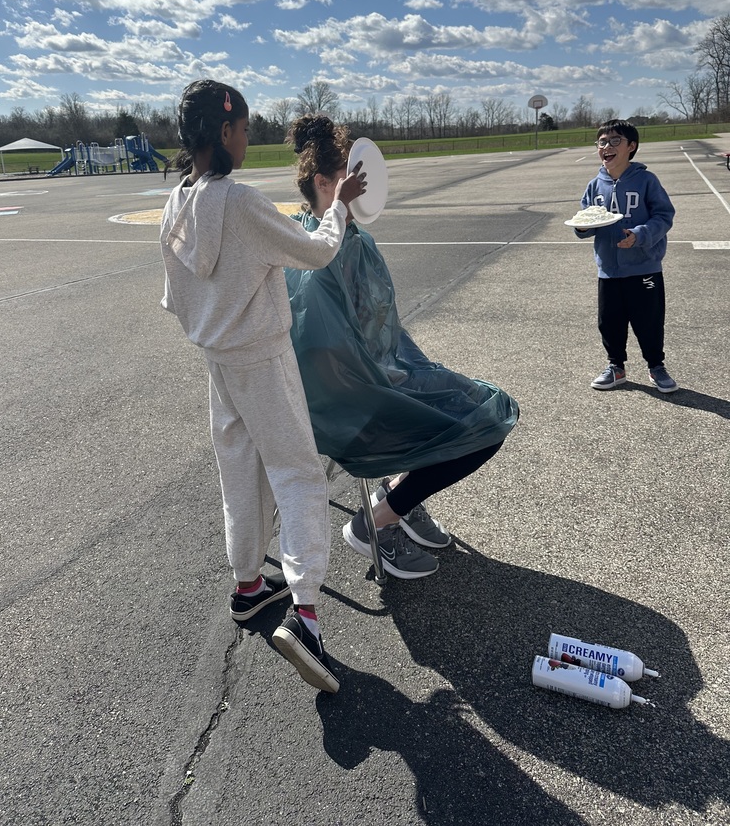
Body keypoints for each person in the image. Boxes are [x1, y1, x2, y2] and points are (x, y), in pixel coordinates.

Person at [159, 81, 366, 693]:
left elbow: (175, 297)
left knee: (238, 473)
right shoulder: (242, 203)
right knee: (299, 474)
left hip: (217, 361)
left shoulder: (176, 205)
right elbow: (317, 250)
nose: (248, 139)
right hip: (262, 357)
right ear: (224, 132)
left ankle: (249, 585)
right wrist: (340, 207)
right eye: (245, 129)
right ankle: (305, 615)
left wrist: (216, 317)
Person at [284, 114, 519, 580]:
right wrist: (400, 378)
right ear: (326, 184)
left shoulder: (351, 238)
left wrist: (413, 368)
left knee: (479, 401)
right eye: (355, 182)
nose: (365, 191)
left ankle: (397, 498)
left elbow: (380, 327)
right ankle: (376, 521)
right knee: (485, 422)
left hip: (376, 376)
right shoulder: (313, 251)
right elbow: (326, 357)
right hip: (349, 402)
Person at [573, 119, 677, 393]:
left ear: (631, 147)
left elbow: (664, 215)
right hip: (608, 268)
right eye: (602, 142)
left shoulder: (646, 180)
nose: (607, 146)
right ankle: (615, 367)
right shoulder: (595, 185)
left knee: (649, 320)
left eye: (614, 141)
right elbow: (585, 217)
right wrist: (582, 227)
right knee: (609, 321)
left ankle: (656, 366)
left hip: (644, 267)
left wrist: (641, 235)